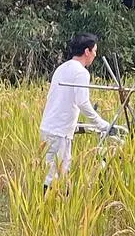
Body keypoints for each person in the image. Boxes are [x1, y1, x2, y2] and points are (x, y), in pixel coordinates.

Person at [39, 33, 118, 186]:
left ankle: (52, 207)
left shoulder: (62, 68)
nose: (95, 55)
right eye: (94, 51)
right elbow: (82, 102)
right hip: (59, 131)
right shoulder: (81, 72)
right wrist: (102, 124)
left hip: (49, 127)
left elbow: (61, 99)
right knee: (55, 177)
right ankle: (49, 208)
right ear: (87, 51)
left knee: (53, 173)